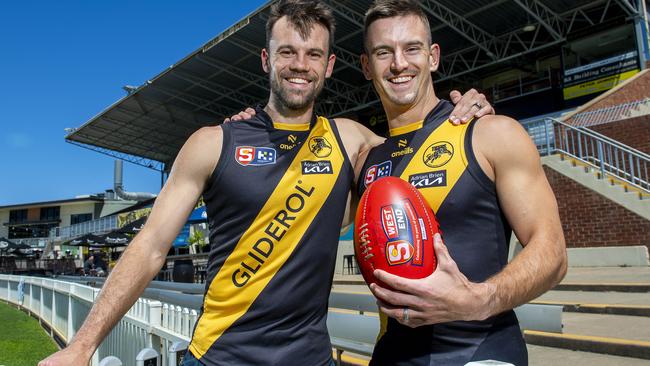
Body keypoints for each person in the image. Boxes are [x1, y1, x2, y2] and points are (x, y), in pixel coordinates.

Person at [39, 1, 491, 365]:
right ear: (265, 60)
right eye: (287, 52)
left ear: (330, 65)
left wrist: (467, 107)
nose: (300, 65)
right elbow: (151, 246)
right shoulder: (212, 142)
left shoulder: (350, 139)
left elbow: (421, 142)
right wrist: (82, 347)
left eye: (313, 54)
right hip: (218, 357)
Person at [353, 1, 568, 365]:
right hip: (391, 355)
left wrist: (480, 299)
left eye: (412, 48)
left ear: (433, 56)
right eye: (383, 52)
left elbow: (553, 253)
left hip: (481, 353)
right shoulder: (365, 160)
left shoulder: (491, 133)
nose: (399, 63)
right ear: (366, 66)